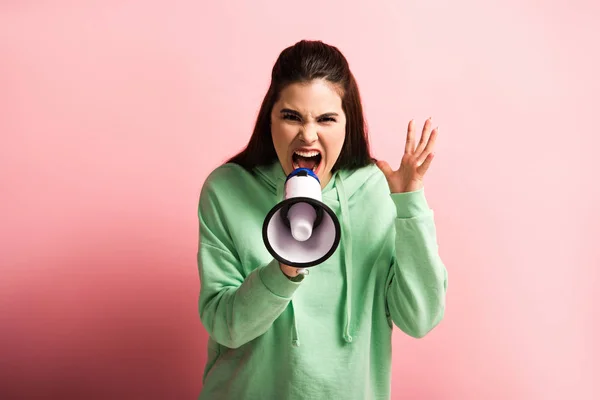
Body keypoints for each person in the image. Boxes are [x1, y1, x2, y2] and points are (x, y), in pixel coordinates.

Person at [195, 39, 448, 400]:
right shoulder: (227, 190)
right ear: (270, 118)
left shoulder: (378, 192)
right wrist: (283, 269)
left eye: (326, 119)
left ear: (348, 124)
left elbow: (420, 319)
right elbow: (226, 327)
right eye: (291, 116)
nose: (308, 135)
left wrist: (410, 207)